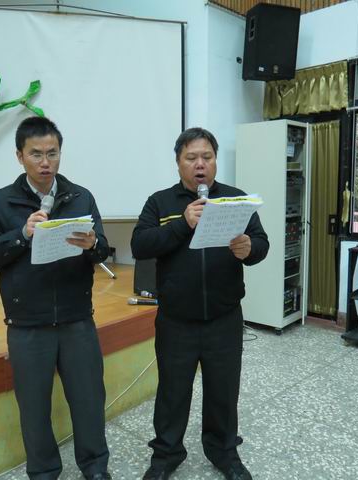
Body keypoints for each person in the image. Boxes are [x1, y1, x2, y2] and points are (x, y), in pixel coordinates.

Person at [0, 116, 111, 480]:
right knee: (34, 409)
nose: (45, 162)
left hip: (76, 318)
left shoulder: (81, 197)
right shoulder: (0, 202)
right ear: (19, 156)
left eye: (52, 153)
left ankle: (95, 468)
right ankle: (44, 472)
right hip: (27, 323)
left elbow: (103, 251)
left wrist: (93, 244)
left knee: (89, 401)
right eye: (36, 154)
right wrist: (22, 233)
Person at [131, 127, 270, 480]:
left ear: (215, 161)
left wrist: (250, 249)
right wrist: (183, 223)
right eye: (191, 158)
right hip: (176, 320)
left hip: (224, 318)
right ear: (178, 163)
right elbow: (140, 245)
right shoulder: (160, 202)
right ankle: (166, 455)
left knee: (223, 391)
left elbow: (261, 243)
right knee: (172, 392)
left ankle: (224, 452)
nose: (200, 165)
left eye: (207, 157)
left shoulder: (235, 200)